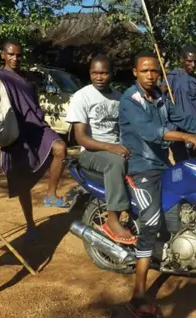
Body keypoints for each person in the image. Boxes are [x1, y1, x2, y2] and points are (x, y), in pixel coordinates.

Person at [119, 50, 196, 318]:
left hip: (161, 165)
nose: (151, 75)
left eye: (155, 71)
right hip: (140, 169)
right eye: (146, 71)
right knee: (150, 223)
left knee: (187, 198)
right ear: (135, 72)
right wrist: (186, 136)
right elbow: (150, 131)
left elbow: (186, 119)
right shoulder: (131, 100)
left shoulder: (161, 97)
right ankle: (138, 295)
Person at [0, 40, 69, 241]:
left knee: (60, 148)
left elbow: (33, 102)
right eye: (11, 54)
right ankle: (30, 225)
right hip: (15, 132)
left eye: (18, 55)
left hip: (36, 127)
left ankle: (51, 195)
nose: (15, 59)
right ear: (3, 55)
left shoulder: (27, 78)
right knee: (22, 183)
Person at [65, 54, 136, 244]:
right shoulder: (82, 96)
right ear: (90, 73)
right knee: (116, 162)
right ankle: (112, 218)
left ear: (112, 74)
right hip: (91, 152)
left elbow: (124, 130)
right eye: (95, 73)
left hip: (113, 147)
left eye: (104, 73)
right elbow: (81, 137)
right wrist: (110, 147)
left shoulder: (118, 98)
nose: (99, 77)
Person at [161, 44, 196, 162]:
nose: (193, 65)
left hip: (195, 125)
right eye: (189, 61)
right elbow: (160, 94)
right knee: (182, 161)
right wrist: (164, 90)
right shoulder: (172, 76)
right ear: (181, 59)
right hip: (178, 126)